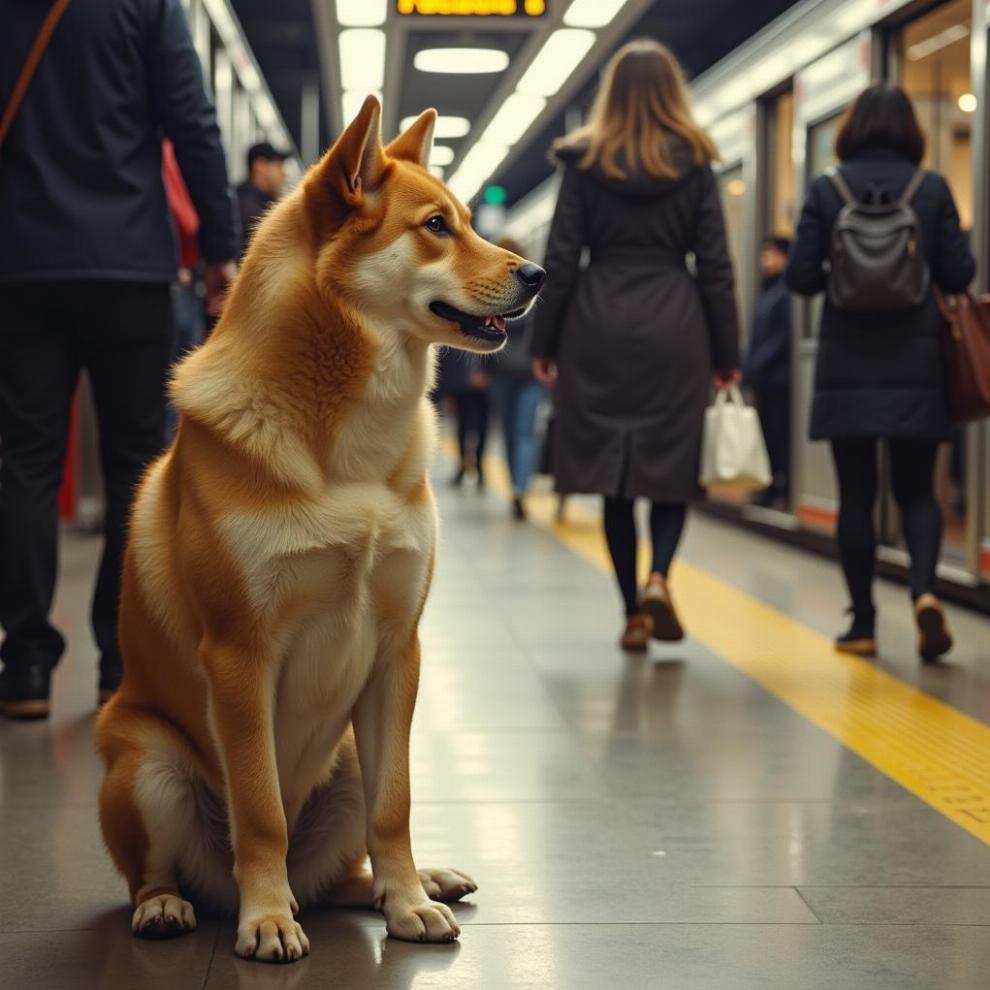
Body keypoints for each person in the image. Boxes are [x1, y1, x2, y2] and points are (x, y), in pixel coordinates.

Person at [0, 0, 239, 719]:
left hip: (21, 263)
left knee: (26, 462)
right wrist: (223, 245)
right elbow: (192, 121)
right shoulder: (145, 4)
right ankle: (122, 665)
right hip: (130, 264)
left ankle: (27, 667)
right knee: (137, 465)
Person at [530, 39, 740, 652]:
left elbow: (562, 260)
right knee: (670, 470)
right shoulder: (698, 163)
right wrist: (727, 354)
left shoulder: (584, 161)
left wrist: (546, 341)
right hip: (678, 325)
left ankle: (632, 614)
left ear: (612, 94)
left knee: (615, 478)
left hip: (598, 325)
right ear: (674, 92)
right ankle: (659, 577)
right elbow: (718, 266)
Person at [786, 82, 974, 661]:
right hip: (917, 360)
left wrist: (841, 267)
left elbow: (800, 278)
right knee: (918, 491)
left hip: (847, 361)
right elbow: (959, 273)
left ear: (851, 129)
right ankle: (922, 594)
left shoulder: (826, 188)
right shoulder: (933, 188)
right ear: (911, 130)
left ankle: (863, 623)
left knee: (858, 497)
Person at [490, 237, 547, 520]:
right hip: (529, 372)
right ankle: (520, 489)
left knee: (510, 433)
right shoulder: (532, 283)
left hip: (500, 370)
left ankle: (516, 485)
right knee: (525, 433)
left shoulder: (492, 284)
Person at [743, 235, 793, 508]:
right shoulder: (766, 291)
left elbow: (782, 338)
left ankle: (781, 489)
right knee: (767, 436)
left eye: (772, 254)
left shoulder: (785, 293)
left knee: (780, 435)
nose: (766, 260)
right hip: (764, 379)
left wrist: (757, 363)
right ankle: (769, 485)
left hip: (779, 380)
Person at [438, 348, 492, 489]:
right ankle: (463, 465)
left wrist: (485, 372)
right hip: (461, 382)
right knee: (463, 426)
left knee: (482, 426)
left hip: (485, 382)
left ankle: (479, 467)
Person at [237, 142, 288, 252]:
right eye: (278, 165)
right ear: (260, 165)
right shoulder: (248, 207)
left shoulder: (249, 201)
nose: (284, 173)